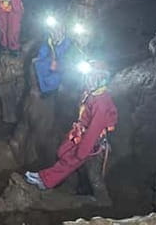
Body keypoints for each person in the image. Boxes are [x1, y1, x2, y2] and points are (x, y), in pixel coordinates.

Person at [25, 61, 118, 192]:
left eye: (92, 78)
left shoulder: (101, 102)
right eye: (88, 77)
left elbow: (94, 130)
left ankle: (44, 181)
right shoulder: (92, 94)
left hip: (92, 140)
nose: (88, 81)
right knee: (62, 151)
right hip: (80, 132)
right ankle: (54, 177)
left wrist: (83, 150)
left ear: (101, 80)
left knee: (71, 159)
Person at [33, 17, 76, 94]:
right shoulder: (49, 40)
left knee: (56, 76)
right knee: (39, 64)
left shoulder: (68, 42)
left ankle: (51, 89)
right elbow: (43, 51)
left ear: (63, 30)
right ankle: (42, 88)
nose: (56, 32)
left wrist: (56, 47)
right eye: (55, 29)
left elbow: (66, 57)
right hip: (50, 63)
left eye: (59, 29)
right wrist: (40, 57)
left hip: (62, 66)